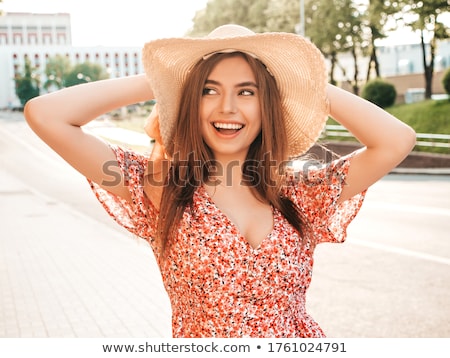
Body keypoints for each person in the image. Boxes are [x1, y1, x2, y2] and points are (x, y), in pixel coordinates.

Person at [24, 24, 416, 338]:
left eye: (247, 92)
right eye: (209, 90)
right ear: (191, 103)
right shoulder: (160, 188)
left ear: (267, 106)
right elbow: (46, 114)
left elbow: (397, 140)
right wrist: (163, 81)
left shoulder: (299, 194)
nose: (227, 106)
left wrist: (303, 84)